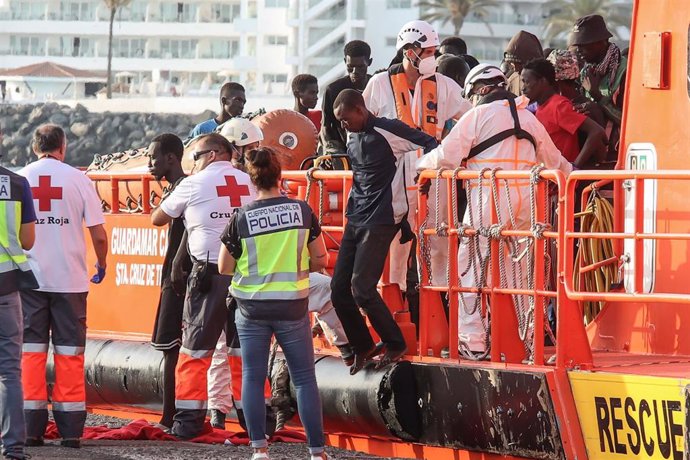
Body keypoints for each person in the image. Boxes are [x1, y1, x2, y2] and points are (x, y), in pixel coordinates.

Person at [416, 66, 572, 354]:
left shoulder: (477, 116)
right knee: (521, 272)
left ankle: (472, 341)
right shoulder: (529, 118)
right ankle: (527, 340)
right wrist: (576, 179)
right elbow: (557, 162)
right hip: (526, 203)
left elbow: (446, 157)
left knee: (471, 266)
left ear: (482, 89)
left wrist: (419, 167)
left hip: (487, 201)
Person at [219, 146, 328, 460]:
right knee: (305, 377)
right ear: (280, 176)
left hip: (251, 308)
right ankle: (316, 452)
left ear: (252, 181)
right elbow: (320, 258)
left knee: (253, 376)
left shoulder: (241, 217)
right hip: (292, 306)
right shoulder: (302, 211)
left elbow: (224, 267)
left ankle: (259, 450)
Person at [363, 19, 471, 317]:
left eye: (435, 51)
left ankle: (439, 306)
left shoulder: (445, 86)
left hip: (434, 173)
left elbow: (470, 118)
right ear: (409, 52)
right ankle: (393, 309)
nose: (432, 57)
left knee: (438, 241)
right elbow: (359, 128)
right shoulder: (379, 84)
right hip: (393, 173)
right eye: (428, 51)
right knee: (396, 243)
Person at [151, 133, 255, 439]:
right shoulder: (249, 182)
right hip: (248, 276)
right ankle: (254, 421)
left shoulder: (193, 184)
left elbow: (158, 218)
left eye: (194, 157)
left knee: (195, 350)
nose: (192, 163)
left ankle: (187, 421)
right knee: (245, 351)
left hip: (209, 274)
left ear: (211, 154)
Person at [331, 89, 438, 374]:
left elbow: (431, 143)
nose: (343, 126)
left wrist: (425, 173)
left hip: (382, 218)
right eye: (339, 122)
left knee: (362, 288)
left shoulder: (388, 129)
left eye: (345, 119)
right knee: (338, 289)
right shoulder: (352, 134)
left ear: (359, 110)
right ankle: (363, 346)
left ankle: (394, 342)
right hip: (357, 217)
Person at [19, 124, 108, 448]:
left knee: (30, 353)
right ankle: (71, 431)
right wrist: (102, 262)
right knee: (70, 354)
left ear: (34, 147)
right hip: (70, 281)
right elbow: (98, 233)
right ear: (63, 146)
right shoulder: (78, 179)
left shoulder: (21, 178)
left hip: (29, 280)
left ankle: (30, 428)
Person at [147, 133, 191, 429]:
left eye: (153, 157)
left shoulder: (184, 188)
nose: (149, 163)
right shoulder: (178, 188)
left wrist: (177, 265)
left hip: (179, 277)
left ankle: (171, 414)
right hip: (180, 274)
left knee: (172, 346)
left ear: (171, 158)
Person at [0, 162, 37, 460]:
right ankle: (13, 449)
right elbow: (27, 241)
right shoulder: (16, 183)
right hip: (5, 285)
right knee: (9, 372)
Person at [521, 58, 607, 168]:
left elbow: (596, 131)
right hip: (549, 178)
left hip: (562, 180)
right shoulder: (537, 108)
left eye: (526, 82)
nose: (523, 88)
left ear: (543, 81)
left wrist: (574, 167)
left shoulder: (558, 106)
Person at [568, 14, 627, 161]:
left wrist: (597, 96)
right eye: (577, 46)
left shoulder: (625, 71)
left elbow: (630, 122)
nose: (579, 51)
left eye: (584, 45)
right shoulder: (585, 72)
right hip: (591, 154)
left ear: (602, 42)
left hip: (618, 155)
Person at [321, 40, 373, 155]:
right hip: (342, 150)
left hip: (372, 147)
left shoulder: (377, 84)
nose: (355, 72)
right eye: (350, 67)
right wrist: (332, 151)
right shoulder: (333, 89)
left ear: (369, 62)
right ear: (345, 61)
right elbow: (326, 126)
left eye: (360, 67)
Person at [503, 30, 544, 96]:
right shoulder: (512, 81)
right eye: (512, 64)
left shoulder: (548, 81)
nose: (515, 69)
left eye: (519, 64)